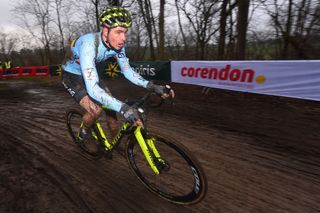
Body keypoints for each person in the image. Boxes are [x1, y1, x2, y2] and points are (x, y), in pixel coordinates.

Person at [61, 6, 174, 143]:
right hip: (71, 76)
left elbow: (128, 72)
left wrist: (152, 86)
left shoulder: (118, 46)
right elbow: (93, 89)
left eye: (125, 32)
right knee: (96, 111)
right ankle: (83, 130)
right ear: (105, 30)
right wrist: (124, 108)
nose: (123, 38)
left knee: (110, 109)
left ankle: (115, 144)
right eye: (119, 32)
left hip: (89, 73)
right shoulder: (89, 45)